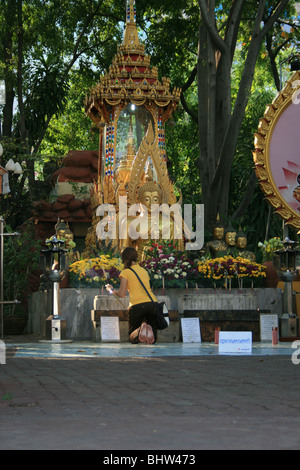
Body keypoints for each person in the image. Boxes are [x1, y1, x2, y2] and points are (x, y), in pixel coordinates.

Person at [105, 246, 158, 344]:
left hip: (137, 304)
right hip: (152, 303)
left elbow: (121, 294)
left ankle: (139, 331)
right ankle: (148, 327)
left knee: (132, 337)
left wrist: (111, 290)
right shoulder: (144, 271)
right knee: (152, 340)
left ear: (124, 259)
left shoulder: (126, 272)